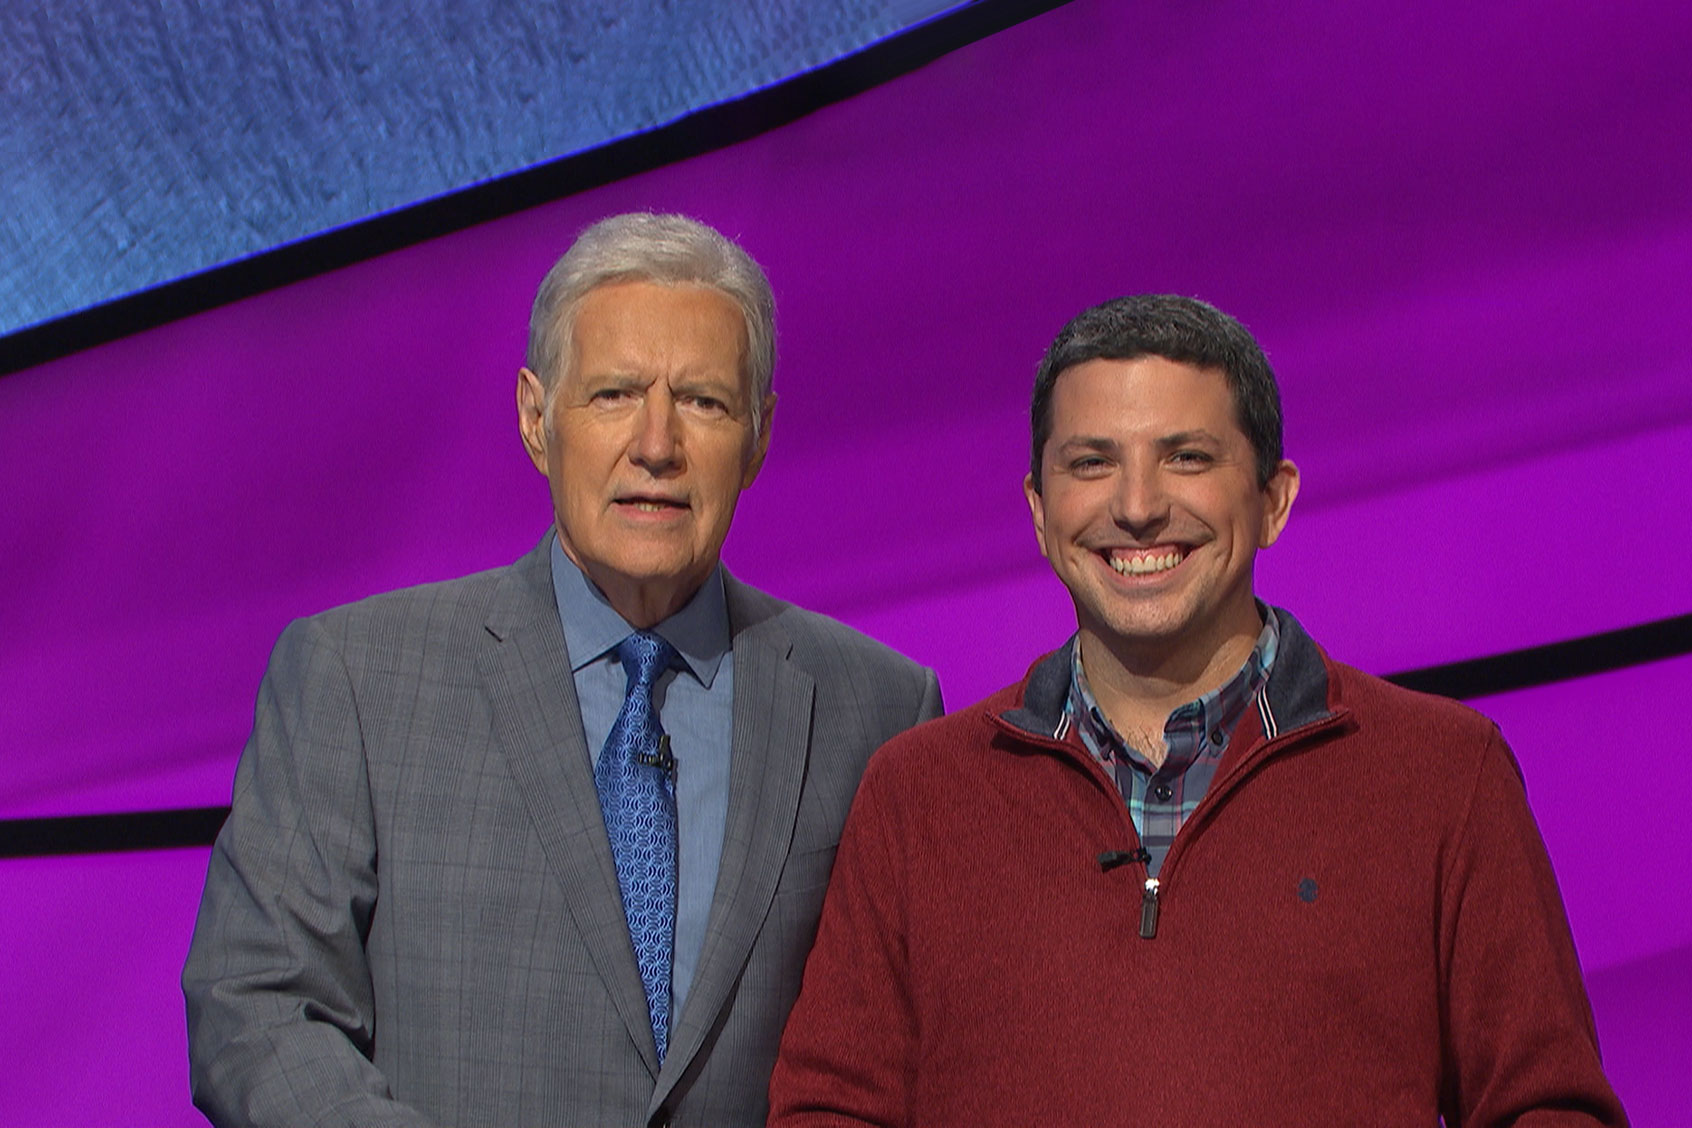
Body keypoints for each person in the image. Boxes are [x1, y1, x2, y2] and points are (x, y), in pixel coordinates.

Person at [767, 295, 1624, 1126]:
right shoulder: (918, 795)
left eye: (1185, 457)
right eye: (1092, 463)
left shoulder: (1442, 774)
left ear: (1273, 499)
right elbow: (830, 1112)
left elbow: (1546, 1107)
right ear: (1038, 510)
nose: (1137, 506)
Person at [183, 212, 942, 1127]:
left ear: (759, 436)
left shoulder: (880, 707)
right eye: (615, 394)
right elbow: (258, 1004)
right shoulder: (356, 678)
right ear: (535, 419)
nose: (656, 444)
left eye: (703, 402)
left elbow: (915, 1048)